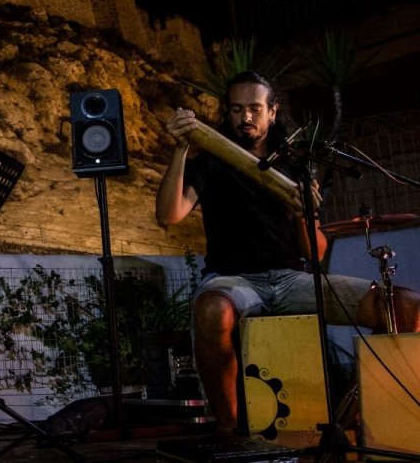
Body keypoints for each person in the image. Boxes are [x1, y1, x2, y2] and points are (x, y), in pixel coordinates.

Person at [156, 70, 419, 437]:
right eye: (236, 109)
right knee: (212, 309)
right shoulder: (211, 162)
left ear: (273, 111)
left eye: (254, 108)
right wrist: (183, 147)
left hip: (294, 279)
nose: (245, 117)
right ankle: (229, 433)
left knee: (405, 305)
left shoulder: (294, 165)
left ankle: (347, 421)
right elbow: (169, 214)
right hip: (235, 281)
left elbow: (316, 252)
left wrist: (304, 212)